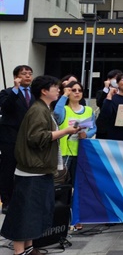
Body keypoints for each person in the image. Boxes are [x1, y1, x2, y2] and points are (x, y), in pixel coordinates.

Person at [0, 75, 78, 255]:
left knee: (34, 211)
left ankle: (29, 247)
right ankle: (19, 251)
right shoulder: (38, 110)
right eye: (55, 87)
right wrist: (65, 131)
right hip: (32, 170)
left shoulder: (43, 108)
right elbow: (36, 138)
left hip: (39, 168)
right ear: (44, 91)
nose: (59, 90)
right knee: (25, 211)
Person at [0, 65, 34, 214]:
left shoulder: (36, 94)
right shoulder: (7, 92)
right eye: (24, 74)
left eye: (30, 74)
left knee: (26, 168)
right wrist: (15, 89)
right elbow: (5, 108)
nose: (27, 76)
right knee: (8, 168)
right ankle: (7, 200)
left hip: (29, 137)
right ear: (16, 76)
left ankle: (24, 198)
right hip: (10, 136)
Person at [53, 81, 97, 183]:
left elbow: (93, 128)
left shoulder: (88, 110)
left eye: (80, 90)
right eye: (73, 90)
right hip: (65, 152)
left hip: (82, 151)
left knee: (79, 182)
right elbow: (56, 113)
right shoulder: (63, 109)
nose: (77, 92)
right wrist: (64, 95)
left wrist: (86, 134)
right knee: (62, 181)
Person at [94, 69, 122, 140]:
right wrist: (106, 88)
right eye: (114, 78)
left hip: (118, 127)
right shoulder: (102, 92)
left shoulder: (122, 93)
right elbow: (99, 103)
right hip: (104, 127)